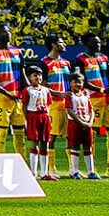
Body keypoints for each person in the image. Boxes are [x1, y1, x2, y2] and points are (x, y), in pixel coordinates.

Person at [76, 34, 109, 176]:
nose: (98, 44)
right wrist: (101, 89)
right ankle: (92, 167)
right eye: (95, 42)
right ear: (87, 43)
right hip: (93, 100)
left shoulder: (104, 58)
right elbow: (83, 81)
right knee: (93, 134)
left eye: (99, 42)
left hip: (107, 100)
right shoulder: (81, 59)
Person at [0, 25, 26, 157]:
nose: (7, 34)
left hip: (17, 98)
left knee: (19, 133)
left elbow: (23, 75)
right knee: (2, 131)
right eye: (3, 32)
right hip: (1, 98)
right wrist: (7, 93)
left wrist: (28, 91)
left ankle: (22, 162)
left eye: (8, 31)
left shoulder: (18, 52)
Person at [39, 33, 73, 177]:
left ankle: (73, 168)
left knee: (70, 137)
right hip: (53, 104)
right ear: (53, 45)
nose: (64, 44)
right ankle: (51, 167)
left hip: (67, 104)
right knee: (51, 137)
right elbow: (42, 85)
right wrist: (59, 94)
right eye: (61, 42)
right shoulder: (44, 63)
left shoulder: (66, 63)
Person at [65, 79, 101, 179]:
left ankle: (91, 172)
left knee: (88, 147)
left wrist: (90, 122)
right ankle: (75, 171)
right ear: (71, 83)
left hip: (87, 124)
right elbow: (69, 110)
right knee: (75, 147)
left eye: (80, 82)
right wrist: (81, 122)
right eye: (75, 82)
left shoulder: (85, 94)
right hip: (75, 124)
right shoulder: (69, 95)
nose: (78, 84)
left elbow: (91, 110)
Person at [23, 74, 55, 181]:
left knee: (45, 143)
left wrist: (48, 116)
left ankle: (44, 173)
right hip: (33, 116)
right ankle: (33, 172)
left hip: (44, 116)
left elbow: (49, 104)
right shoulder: (28, 90)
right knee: (35, 142)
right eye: (35, 76)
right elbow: (24, 106)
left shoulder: (46, 90)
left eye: (40, 75)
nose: (38, 78)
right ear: (30, 78)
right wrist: (27, 118)